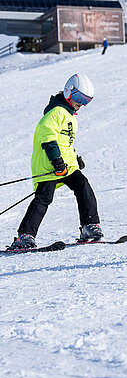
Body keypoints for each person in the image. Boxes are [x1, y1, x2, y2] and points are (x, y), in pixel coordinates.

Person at [10, 73, 103, 250]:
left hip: (66, 165)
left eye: (86, 101)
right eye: (78, 98)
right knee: (44, 198)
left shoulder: (70, 116)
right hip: (48, 165)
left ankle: (89, 226)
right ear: (69, 92)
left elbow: (65, 142)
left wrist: (74, 158)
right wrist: (56, 160)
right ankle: (24, 236)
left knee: (83, 185)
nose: (81, 103)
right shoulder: (56, 112)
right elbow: (48, 137)